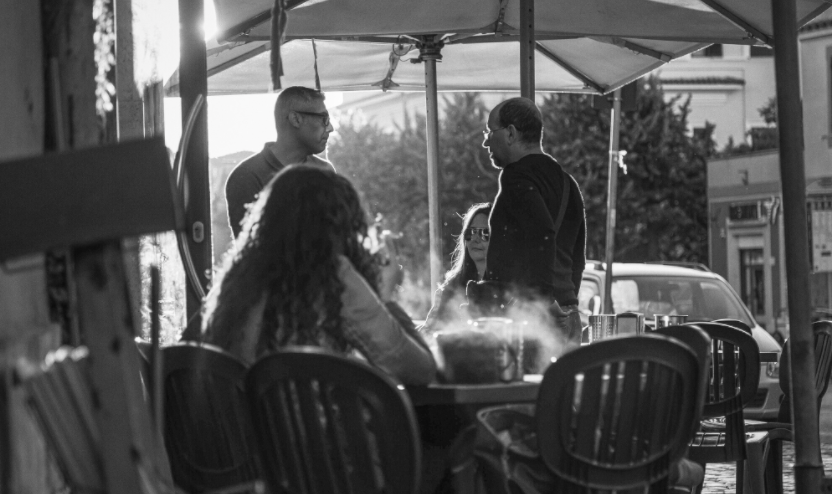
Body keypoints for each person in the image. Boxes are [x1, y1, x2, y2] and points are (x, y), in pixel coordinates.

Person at [202, 165, 434, 386]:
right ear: (339, 227)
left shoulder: (237, 280)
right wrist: (385, 297)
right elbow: (418, 370)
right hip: (310, 427)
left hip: (246, 426)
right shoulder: (332, 276)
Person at [480, 98, 586, 348]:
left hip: (533, 318)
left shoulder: (515, 176)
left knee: (525, 387)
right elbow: (577, 259)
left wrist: (544, 299)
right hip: (568, 315)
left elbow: (542, 232)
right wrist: (565, 301)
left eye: (489, 131)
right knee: (561, 387)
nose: (486, 141)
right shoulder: (568, 183)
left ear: (510, 133)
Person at [224, 86, 335, 239]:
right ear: (295, 119)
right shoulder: (247, 176)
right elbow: (252, 251)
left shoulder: (325, 170)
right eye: (324, 119)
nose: (331, 128)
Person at [421, 203, 491, 332]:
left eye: (484, 233)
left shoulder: (509, 287)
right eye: (471, 232)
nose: (475, 239)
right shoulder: (451, 287)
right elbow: (429, 330)